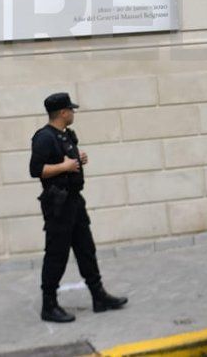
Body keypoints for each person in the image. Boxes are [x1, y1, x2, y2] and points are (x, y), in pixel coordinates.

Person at [29, 92, 127, 323]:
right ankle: (49, 305)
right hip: (58, 204)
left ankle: (98, 296)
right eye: (70, 110)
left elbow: (67, 162)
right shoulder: (44, 137)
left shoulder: (65, 135)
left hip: (74, 201)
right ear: (63, 113)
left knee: (86, 249)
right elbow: (36, 170)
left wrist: (76, 160)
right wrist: (64, 167)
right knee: (57, 255)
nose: (73, 113)